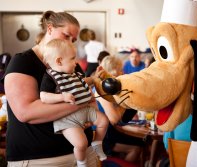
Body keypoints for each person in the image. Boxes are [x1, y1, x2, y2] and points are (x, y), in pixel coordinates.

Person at [3, 10, 99, 167]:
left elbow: (89, 97)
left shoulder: (70, 62)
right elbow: (26, 112)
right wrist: (82, 103)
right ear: (49, 28)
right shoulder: (22, 62)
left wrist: (90, 110)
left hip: (83, 153)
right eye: (66, 35)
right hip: (41, 159)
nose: (69, 42)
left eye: (73, 40)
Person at [40, 39, 109, 166]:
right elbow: (43, 97)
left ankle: (97, 142)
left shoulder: (73, 74)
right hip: (67, 119)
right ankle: (81, 162)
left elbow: (83, 81)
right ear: (59, 61)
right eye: (72, 58)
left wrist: (95, 78)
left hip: (86, 110)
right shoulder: (50, 77)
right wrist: (62, 97)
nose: (76, 62)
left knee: (104, 121)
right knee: (81, 143)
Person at [95, 56, 147, 163]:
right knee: (136, 147)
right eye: (120, 69)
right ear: (113, 71)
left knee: (142, 141)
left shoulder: (109, 87)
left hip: (110, 132)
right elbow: (114, 119)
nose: (123, 72)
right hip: (104, 137)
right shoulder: (101, 90)